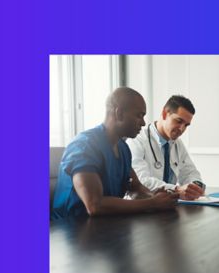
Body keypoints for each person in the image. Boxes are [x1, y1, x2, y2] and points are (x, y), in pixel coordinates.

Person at [51, 87, 179, 220]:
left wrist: (155, 195)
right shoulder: (84, 146)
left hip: (105, 227)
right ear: (119, 113)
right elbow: (95, 205)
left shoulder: (123, 148)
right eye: (139, 115)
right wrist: (152, 203)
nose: (143, 123)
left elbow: (136, 189)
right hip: (71, 231)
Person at [126, 95, 205, 200]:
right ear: (164, 114)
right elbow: (141, 181)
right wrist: (176, 190)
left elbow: (190, 172)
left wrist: (195, 186)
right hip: (140, 207)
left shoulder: (177, 144)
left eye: (186, 125)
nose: (182, 129)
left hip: (166, 206)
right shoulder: (137, 140)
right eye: (179, 121)